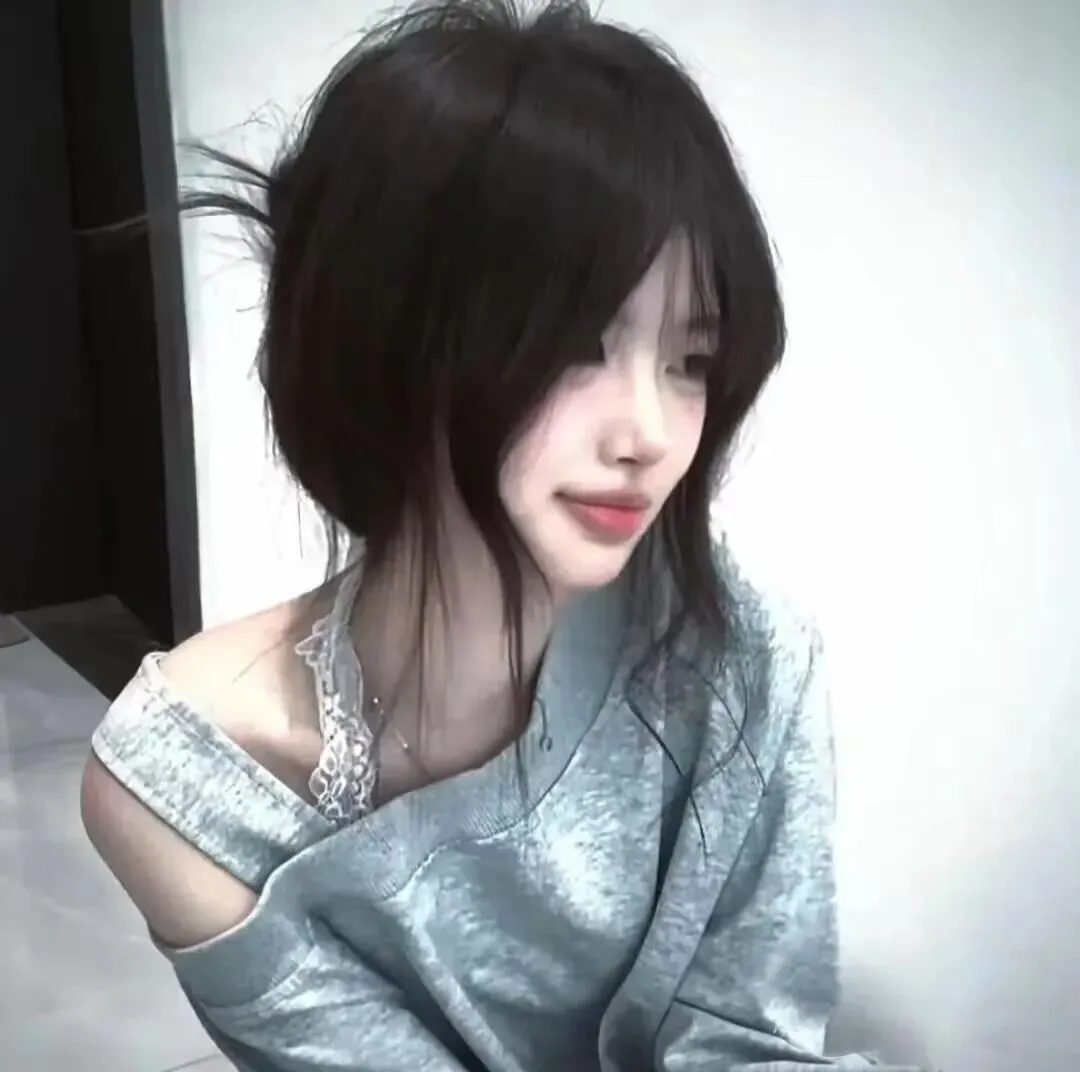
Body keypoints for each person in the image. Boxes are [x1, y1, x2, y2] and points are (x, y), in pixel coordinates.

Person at [80, 2, 925, 1070]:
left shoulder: (741, 660)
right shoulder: (184, 785)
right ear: (387, 337)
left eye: (691, 361)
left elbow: (747, 1041)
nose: (649, 433)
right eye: (576, 345)